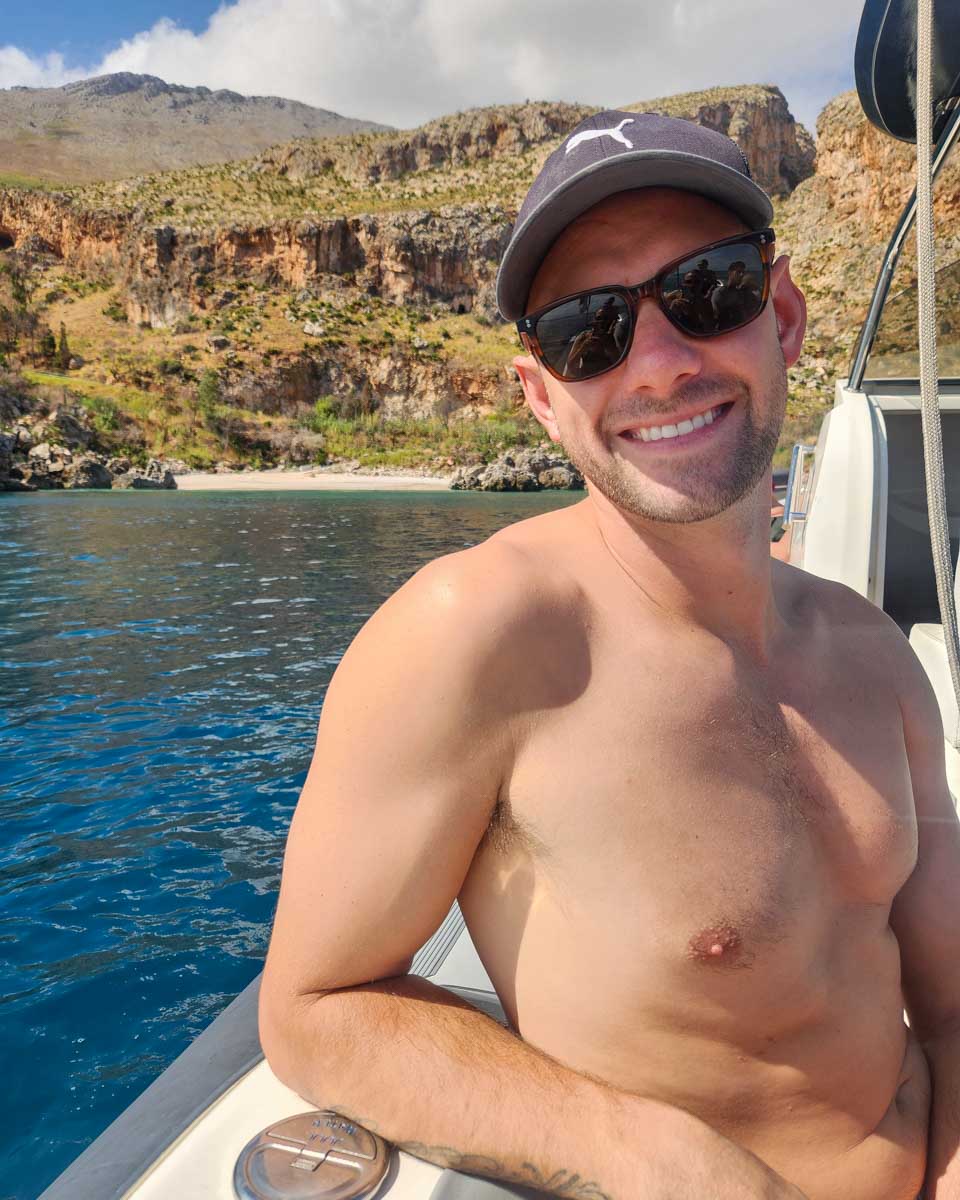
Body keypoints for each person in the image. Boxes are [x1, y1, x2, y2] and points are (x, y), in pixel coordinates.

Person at [259, 110, 960, 1200]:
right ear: (541, 395)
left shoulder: (878, 659)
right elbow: (313, 1009)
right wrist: (658, 1159)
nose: (662, 363)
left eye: (709, 291)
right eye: (591, 332)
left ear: (781, 311)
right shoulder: (475, 637)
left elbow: (954, 1012)